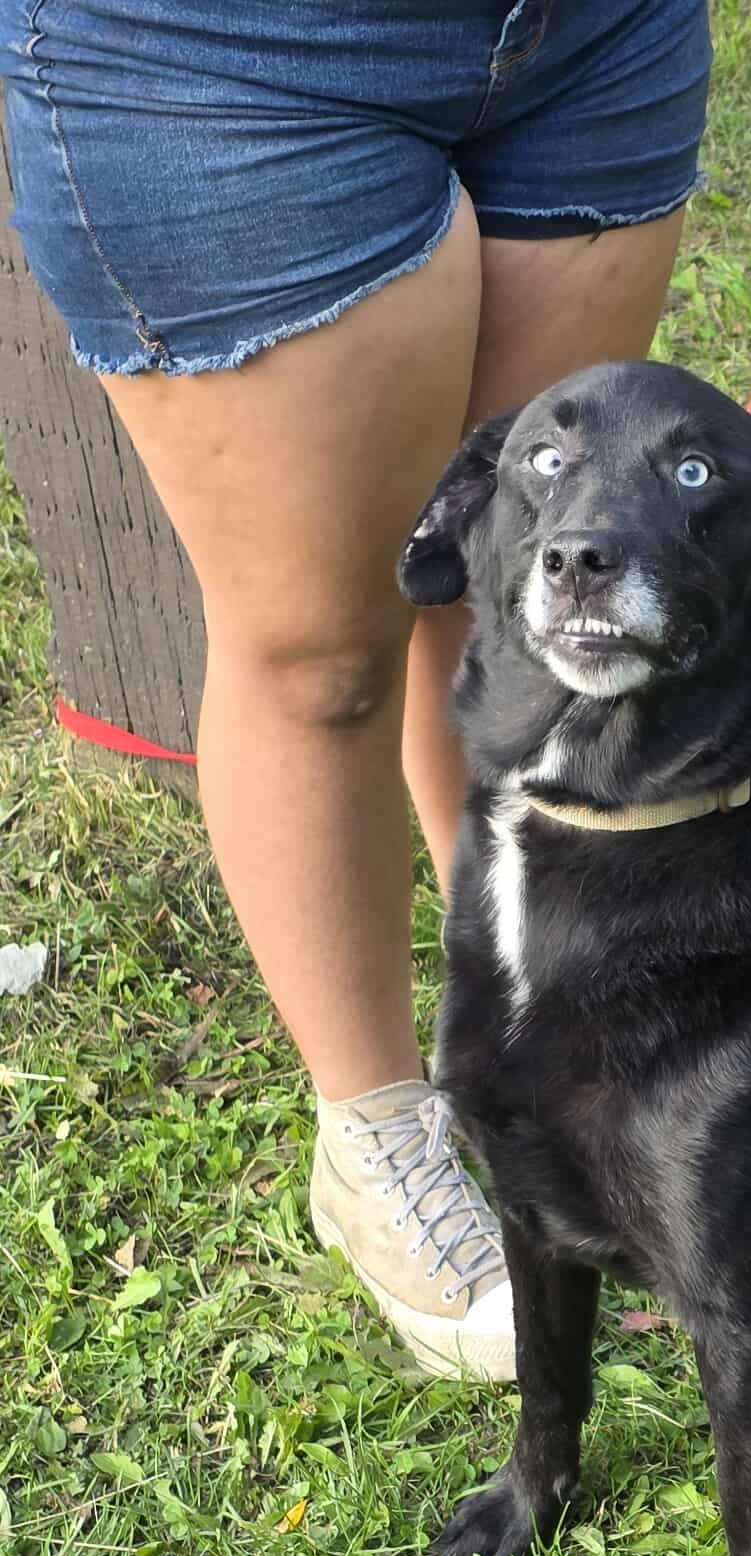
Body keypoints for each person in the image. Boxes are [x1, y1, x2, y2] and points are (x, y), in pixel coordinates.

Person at [1, 1, 713, 1382]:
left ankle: (547, 1029)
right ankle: (377, 1132)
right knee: (324, 651)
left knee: (522, 582)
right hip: (215, 59)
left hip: (591, 32)